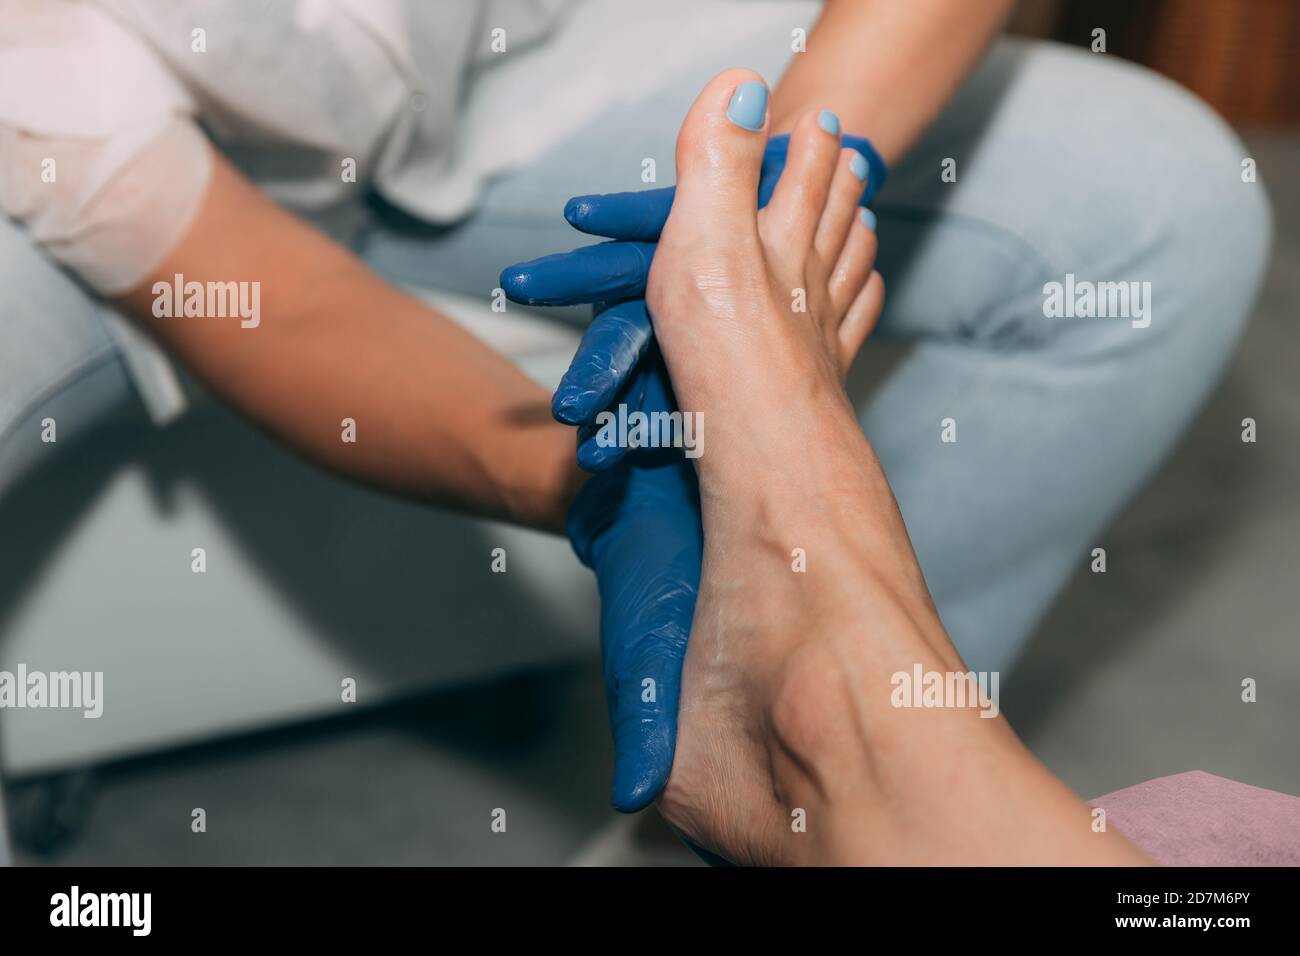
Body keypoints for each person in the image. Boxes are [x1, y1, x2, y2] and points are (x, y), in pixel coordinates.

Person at [0, 0, 1271, 862]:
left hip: (507, 67)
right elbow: (282, 291)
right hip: (66, 162)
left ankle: (812, 745)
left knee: (1161, 209)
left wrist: (782, 182)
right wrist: (595, 475)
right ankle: (836, 715)